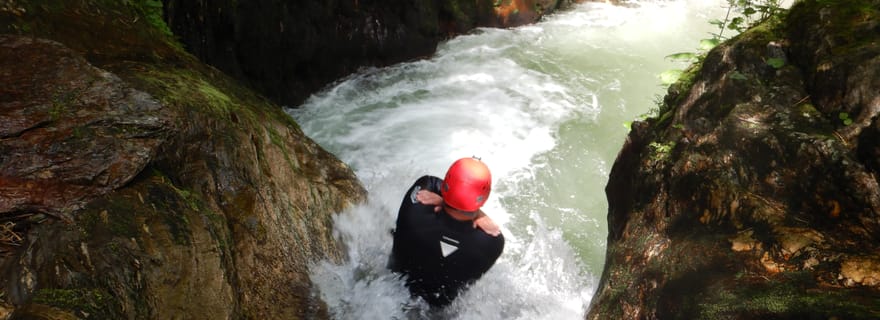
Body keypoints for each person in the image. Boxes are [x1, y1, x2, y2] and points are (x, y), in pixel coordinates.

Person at [388, 157, 505, 307]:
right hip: (435, 314)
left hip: (388, 291)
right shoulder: (493, 243)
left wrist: (443, 201)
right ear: (484, 198)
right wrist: (479, 214)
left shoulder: (415, 209)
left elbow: (432, 182)